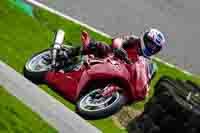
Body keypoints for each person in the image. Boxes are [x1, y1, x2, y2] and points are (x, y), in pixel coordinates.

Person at [81, 28, 166, 100]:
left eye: (155, 48)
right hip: (112, 60)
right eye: (151, 44)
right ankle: (82, 49)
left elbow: (147, 81)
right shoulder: (134, 40)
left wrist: (145, 90)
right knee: (102, 46)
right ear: (145, 39)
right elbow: (119, 40)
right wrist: (118, 47)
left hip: (127, 77)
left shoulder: (150, 64)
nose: (152, 48)